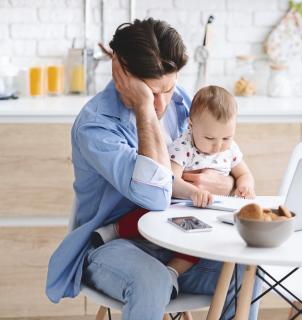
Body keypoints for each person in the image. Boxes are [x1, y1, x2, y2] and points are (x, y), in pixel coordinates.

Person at [46, 18, 261, 320]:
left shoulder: (184, 104)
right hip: (115, 245)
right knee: (153, 280)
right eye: (150, 92)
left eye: (168, 90)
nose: (162, 104)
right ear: (122, 74)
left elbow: (221, 166)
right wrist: (143, 108)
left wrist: (225, 185)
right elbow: (155, 196)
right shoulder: (96, 127)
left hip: (180, 242)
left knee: (247, 267)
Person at [92, 85, 256, 298]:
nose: (218, 146)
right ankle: (114, 230)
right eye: (210, 138)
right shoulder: (184, 147)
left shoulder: (230, 150)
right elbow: (170, 181)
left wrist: (245, 185)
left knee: (202, 246)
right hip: (177, 207)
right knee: (146, 215)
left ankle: (173, 272)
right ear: (191, 125)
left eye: (226, 138)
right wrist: (192, 192)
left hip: (208, 213)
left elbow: (244, 173)